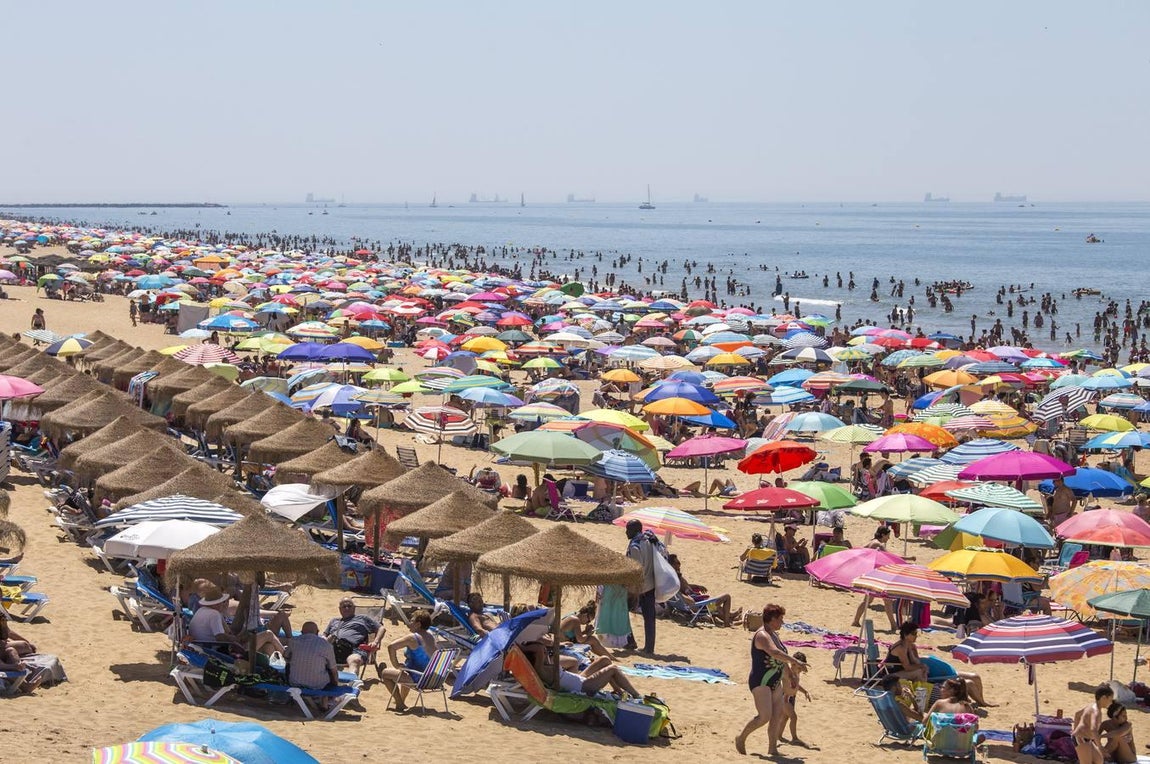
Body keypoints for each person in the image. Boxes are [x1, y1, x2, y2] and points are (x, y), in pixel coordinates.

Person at [736, 603, 809, 757]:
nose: (782, 622)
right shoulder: (762, 635)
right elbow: (775, 653)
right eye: (780, 619)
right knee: (764, 716)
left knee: (776, 716)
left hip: (775, 682)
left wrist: (790, 675)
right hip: (760, 682)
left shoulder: (774, 634)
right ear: (772, 619)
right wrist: (796, 662)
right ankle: (741, 737)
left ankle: (772, 749)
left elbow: (781, 659)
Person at [187, 586, 285, 657]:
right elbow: (220, 637)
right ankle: (288, 657)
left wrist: (238, 635)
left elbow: (227, 633)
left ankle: (282, 662)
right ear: (216, 604)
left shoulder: (202, 611)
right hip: (221, 652)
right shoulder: (214, 615)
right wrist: (237, 640)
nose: (225, 604)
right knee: (268, 634)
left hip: (206, 648)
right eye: (223, 602)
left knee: (269, 647)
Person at [378, 609, 437, 712]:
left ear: (418, 624)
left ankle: (400, 703)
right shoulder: (431, 636)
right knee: (405, 670)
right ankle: (401, 700)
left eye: (412, 620)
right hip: (432, 678)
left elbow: (391, 647)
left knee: (385, 673)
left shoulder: (413, 638)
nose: (409, 623)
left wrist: (396, 664)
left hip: (418, 678)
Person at [625, 519, 665, 656]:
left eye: (628, 530)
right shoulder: (650, 539)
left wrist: (633, 590)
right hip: (652, 583)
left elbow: (637, 568)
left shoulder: (635, 546)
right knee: (649, 618)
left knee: (622, 611)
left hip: (640, 587)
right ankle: (649, 647)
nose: (626, 532)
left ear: (634, 530)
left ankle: (630, 641)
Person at [668, 554, 742, 627]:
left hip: (701, 604)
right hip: (701, 606)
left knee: (718, 608)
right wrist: (692, 601)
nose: (679, 565)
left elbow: (686, 587)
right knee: (726, 597)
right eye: (677, 563)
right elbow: (685, 597)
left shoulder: (676, 577)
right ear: (671, 565)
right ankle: (727, 622)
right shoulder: (675, 582)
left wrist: (697, 586)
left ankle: (731, 617)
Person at [323, 598, 387, 676]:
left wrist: (375, 641)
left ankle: (352, 683)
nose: (347, 608)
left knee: (354, 660)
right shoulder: (334, 621)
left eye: (349, 606)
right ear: (339, 609)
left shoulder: (363, 618)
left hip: (355, 650)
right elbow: (324, 635)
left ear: (354, 608)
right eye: (344, 606)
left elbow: (381, 628)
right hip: (333, 649)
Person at [853, 527, 897, 630]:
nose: (889, 538)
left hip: (870, 574)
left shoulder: (871, 542)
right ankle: (893, 625)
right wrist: (908, 559)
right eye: (888, 535)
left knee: (868, 600)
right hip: (876, 577)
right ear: (883, 535)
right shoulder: (878, 544)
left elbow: (861, 551)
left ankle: (855, 621)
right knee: (887, 601)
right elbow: (890, 557)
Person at [287, 621, 339, 690]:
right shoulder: (326, 645)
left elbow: (286, 656)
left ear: (302, 632)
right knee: (329, 668)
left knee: (289, 662)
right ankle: (327, 697)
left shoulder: (293, 641)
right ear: (317, 632)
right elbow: (334, 670)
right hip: (318, 686)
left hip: (294, 684)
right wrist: (335, 685)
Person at [1071, 684, 1114, 764]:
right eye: (1110, 700)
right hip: (1081, 738)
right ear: (1104, 698)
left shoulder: (1092, 706)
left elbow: (1077, 714)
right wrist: (1100, 747)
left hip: (1087, 739)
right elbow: (1093, 729)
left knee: (1099, 760)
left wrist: (1075, 729)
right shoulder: (1095, 712)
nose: (1111, 703)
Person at [781, 651, 811, 746]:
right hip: (785, 697)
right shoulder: (788, 672)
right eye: (798, 667)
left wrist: (805, 691)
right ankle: (794, 738)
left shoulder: (797, 673)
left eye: (800, 668)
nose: (800, 670)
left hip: (792, 697)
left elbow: (797, 686)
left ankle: (778, 735)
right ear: (792, 664)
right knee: (793, 717)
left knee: (785, 718)